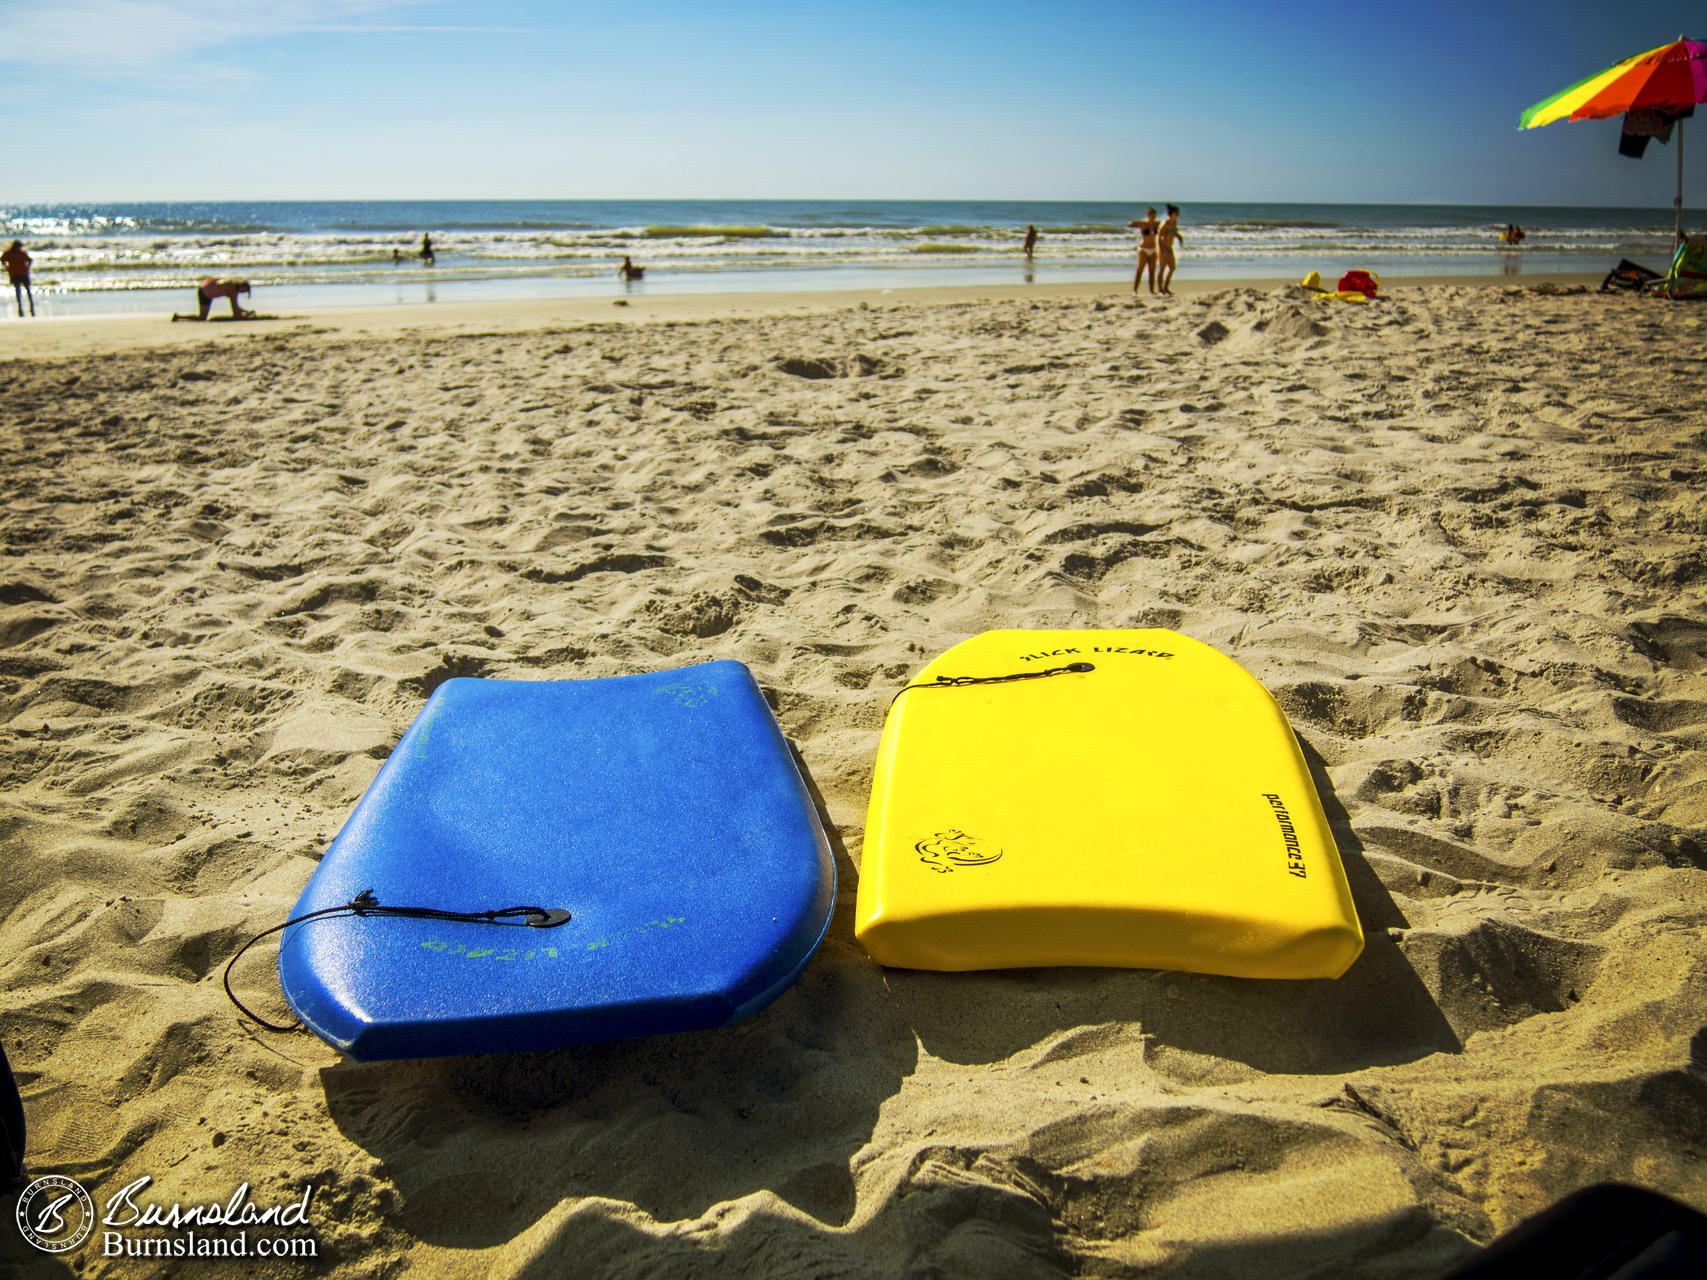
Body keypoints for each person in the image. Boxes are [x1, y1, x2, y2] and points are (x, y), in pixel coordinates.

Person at [172, 278, 253, 321]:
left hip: (206, 288)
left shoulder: (232, 285)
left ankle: (178, 316)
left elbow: (235, 307)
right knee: (201, 318)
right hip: (205, 292)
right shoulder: (232, 290)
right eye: (244, 290)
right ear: (242, 286)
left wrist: (245, 312)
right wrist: (246, 314)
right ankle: (179, 316)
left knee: (202, 317)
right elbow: (235, 311)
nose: (243, 293)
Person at [1127, 208, 1160, 294]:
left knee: (1152, 272)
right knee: (1139, 270)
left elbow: (1166, 226)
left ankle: (1152, 291)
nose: (1153, 218)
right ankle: (1134, 290)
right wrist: (1138, 223)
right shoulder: (1143, 224)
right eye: (1151, 216)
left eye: (1154, 216)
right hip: (1143, 249)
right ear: (1148, 216)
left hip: (1153, 249)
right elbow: (1130, 224)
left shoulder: (1157, 224)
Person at [1158, 204, 1184, 295]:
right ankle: (1160, 290)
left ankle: (1166, 288)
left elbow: (1174, 232)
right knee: (1162, 269)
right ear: (1173, 213)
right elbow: (1159, 236)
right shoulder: (1165, 223)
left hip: (1170, 247)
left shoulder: (1175, 222)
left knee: (1172, 268)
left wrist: (1179, 236)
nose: (1178, 215)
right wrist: (1161, 248)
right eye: (1177, 213)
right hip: (1163, 248)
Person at [3, 240, 33, 317]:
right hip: (17, 273)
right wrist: (6, 266)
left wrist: (6, 266)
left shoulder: (20, 253)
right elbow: (2, 259)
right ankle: (22, 307)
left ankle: (29, 306)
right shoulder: (9, 253)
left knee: (23, 290)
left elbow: (29, 260)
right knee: (21, 290)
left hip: (19, 273)